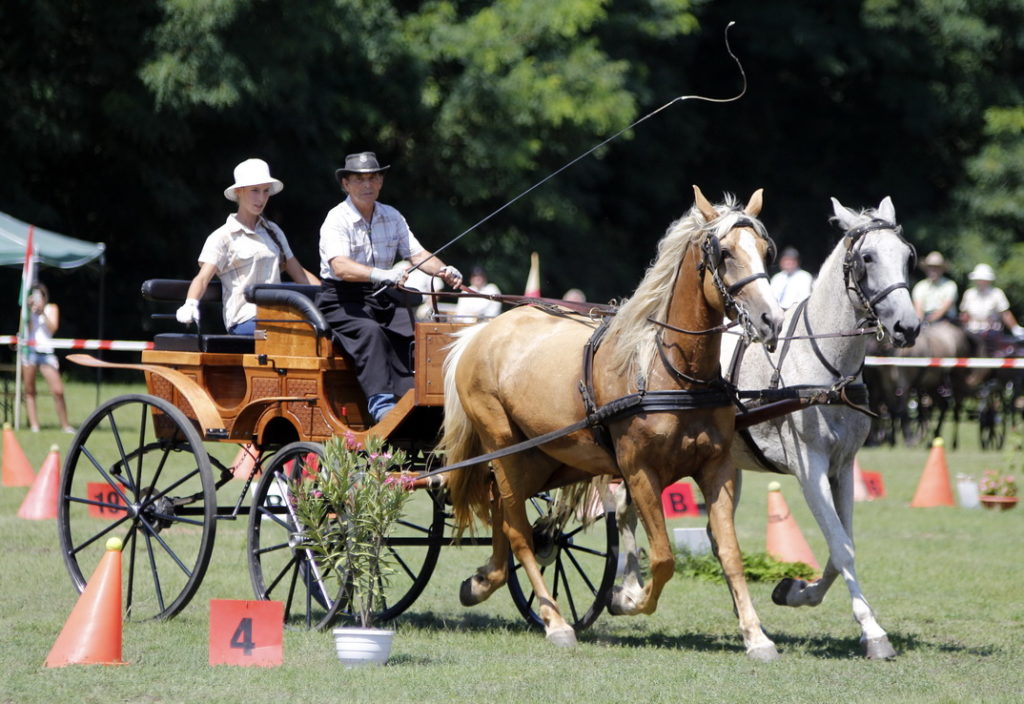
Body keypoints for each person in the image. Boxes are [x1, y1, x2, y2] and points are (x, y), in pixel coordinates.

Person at [317, 151, 462, 422]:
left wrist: (444, 270)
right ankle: (381, 405)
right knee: (371, 332)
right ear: (346, 185)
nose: (367, 185)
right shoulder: (336, 219)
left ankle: (422, 398)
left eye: (373, 178)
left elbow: (417, 255)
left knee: (418, 332)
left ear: (381, 182)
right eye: (359, 180)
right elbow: (340, 267)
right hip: (341, 300)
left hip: (380, 296)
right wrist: (380, 274)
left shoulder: (392, 216)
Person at [176, 158, 319, 335]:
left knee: (319, 331)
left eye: (266, 191)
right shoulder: (222, 237)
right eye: (254, 191)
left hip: (277, 316)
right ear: (239, 191)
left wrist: (328, 297)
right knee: (290, 334)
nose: (261, 198)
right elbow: (203, 278)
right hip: (244, 321)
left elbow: (301, 275)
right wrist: (190, 303)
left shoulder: (273, 231)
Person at [21, 283, 73, 432]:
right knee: (30, 391)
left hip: (46, 353)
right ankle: (34, 425)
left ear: (44, 297)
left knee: (58, 390)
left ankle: (65, 425)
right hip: (30, 352)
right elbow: (27, 330)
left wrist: (42, 312)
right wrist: (29, 312)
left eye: (39, 296)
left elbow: (53, 328)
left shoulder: (52, 308)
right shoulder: (27, 311)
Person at [959, 263, 1024, 355]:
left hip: (991, 332)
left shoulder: (996, 293)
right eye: (979, 279)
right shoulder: (969, 294)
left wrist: (1015, 328)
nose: (981, 281)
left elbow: (1005, 313)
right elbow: (964, 315)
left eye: (984, 279)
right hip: (971, 331)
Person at [912, 251, 958, 324]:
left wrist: (929, 321)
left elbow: (945, 308)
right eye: (930, 267)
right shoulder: (920, 286)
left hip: (945, 320)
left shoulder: (950, 285)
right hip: (924, 319)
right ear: (926, 269)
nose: (933, 270)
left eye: (937, 267)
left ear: (942, 269)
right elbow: (918, 309)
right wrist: (921, 322)